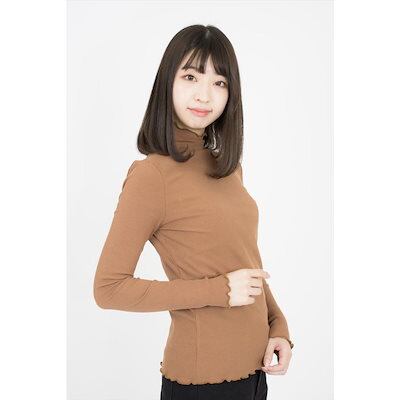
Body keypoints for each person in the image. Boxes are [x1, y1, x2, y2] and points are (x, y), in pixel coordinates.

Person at [93, 24, 293, 400]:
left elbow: (246, 261)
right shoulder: (152, 176)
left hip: (256, 372)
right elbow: (109, 289)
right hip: (201, 383)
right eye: (190, 77)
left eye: (219, 82)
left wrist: (277, 324)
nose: (205, 94)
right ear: (167, 81)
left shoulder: (227, 168)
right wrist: (216, 291)